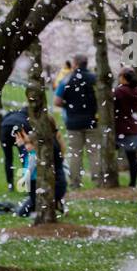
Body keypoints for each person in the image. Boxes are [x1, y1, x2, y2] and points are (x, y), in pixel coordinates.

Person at [55, 53, 102, 189]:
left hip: (73, 121)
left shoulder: (67, 79)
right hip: (92, 120)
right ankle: (98, 180)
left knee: (75, 152)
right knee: (94, 152)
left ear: (75, 64)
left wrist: (69, 105)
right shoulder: (94, 78)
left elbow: (57, 101)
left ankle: (75, 182)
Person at [11, 120, 67, 218]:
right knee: (24, 209)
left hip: (51, 187)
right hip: (56, 186)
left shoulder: (46, 146)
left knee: (23, 212)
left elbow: (30, 164)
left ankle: (52, 204)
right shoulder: (51, 142)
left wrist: (22, 147)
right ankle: (56, 203)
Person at [114, 67, 137, 188]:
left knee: (113, 153)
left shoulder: (119, 91)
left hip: (119, 127)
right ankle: (133, 182)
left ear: (123, 77)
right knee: (132, 157)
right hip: (133, 127)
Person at [0, 106, 30, 190]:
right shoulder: (28, 117)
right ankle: (27, 184)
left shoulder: (12, 113)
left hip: (4, 128)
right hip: (20, 128)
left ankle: (10, 184)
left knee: (8, 158)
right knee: (25, 158)